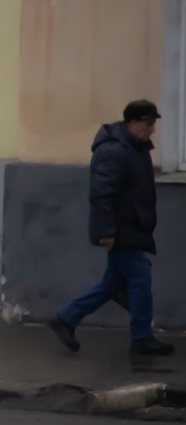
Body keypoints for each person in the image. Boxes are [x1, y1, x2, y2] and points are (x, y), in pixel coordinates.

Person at [47, 100, 175, 356]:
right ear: (133, 123)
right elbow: (102, 194)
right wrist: (106, 231)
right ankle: (141, 337)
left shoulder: (135, 148)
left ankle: (67, 318)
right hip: (121, 227)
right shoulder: (114, 151)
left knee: (112, 283)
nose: (153, 130)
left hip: (131, 225)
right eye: (149, 124)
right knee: (140, 276)